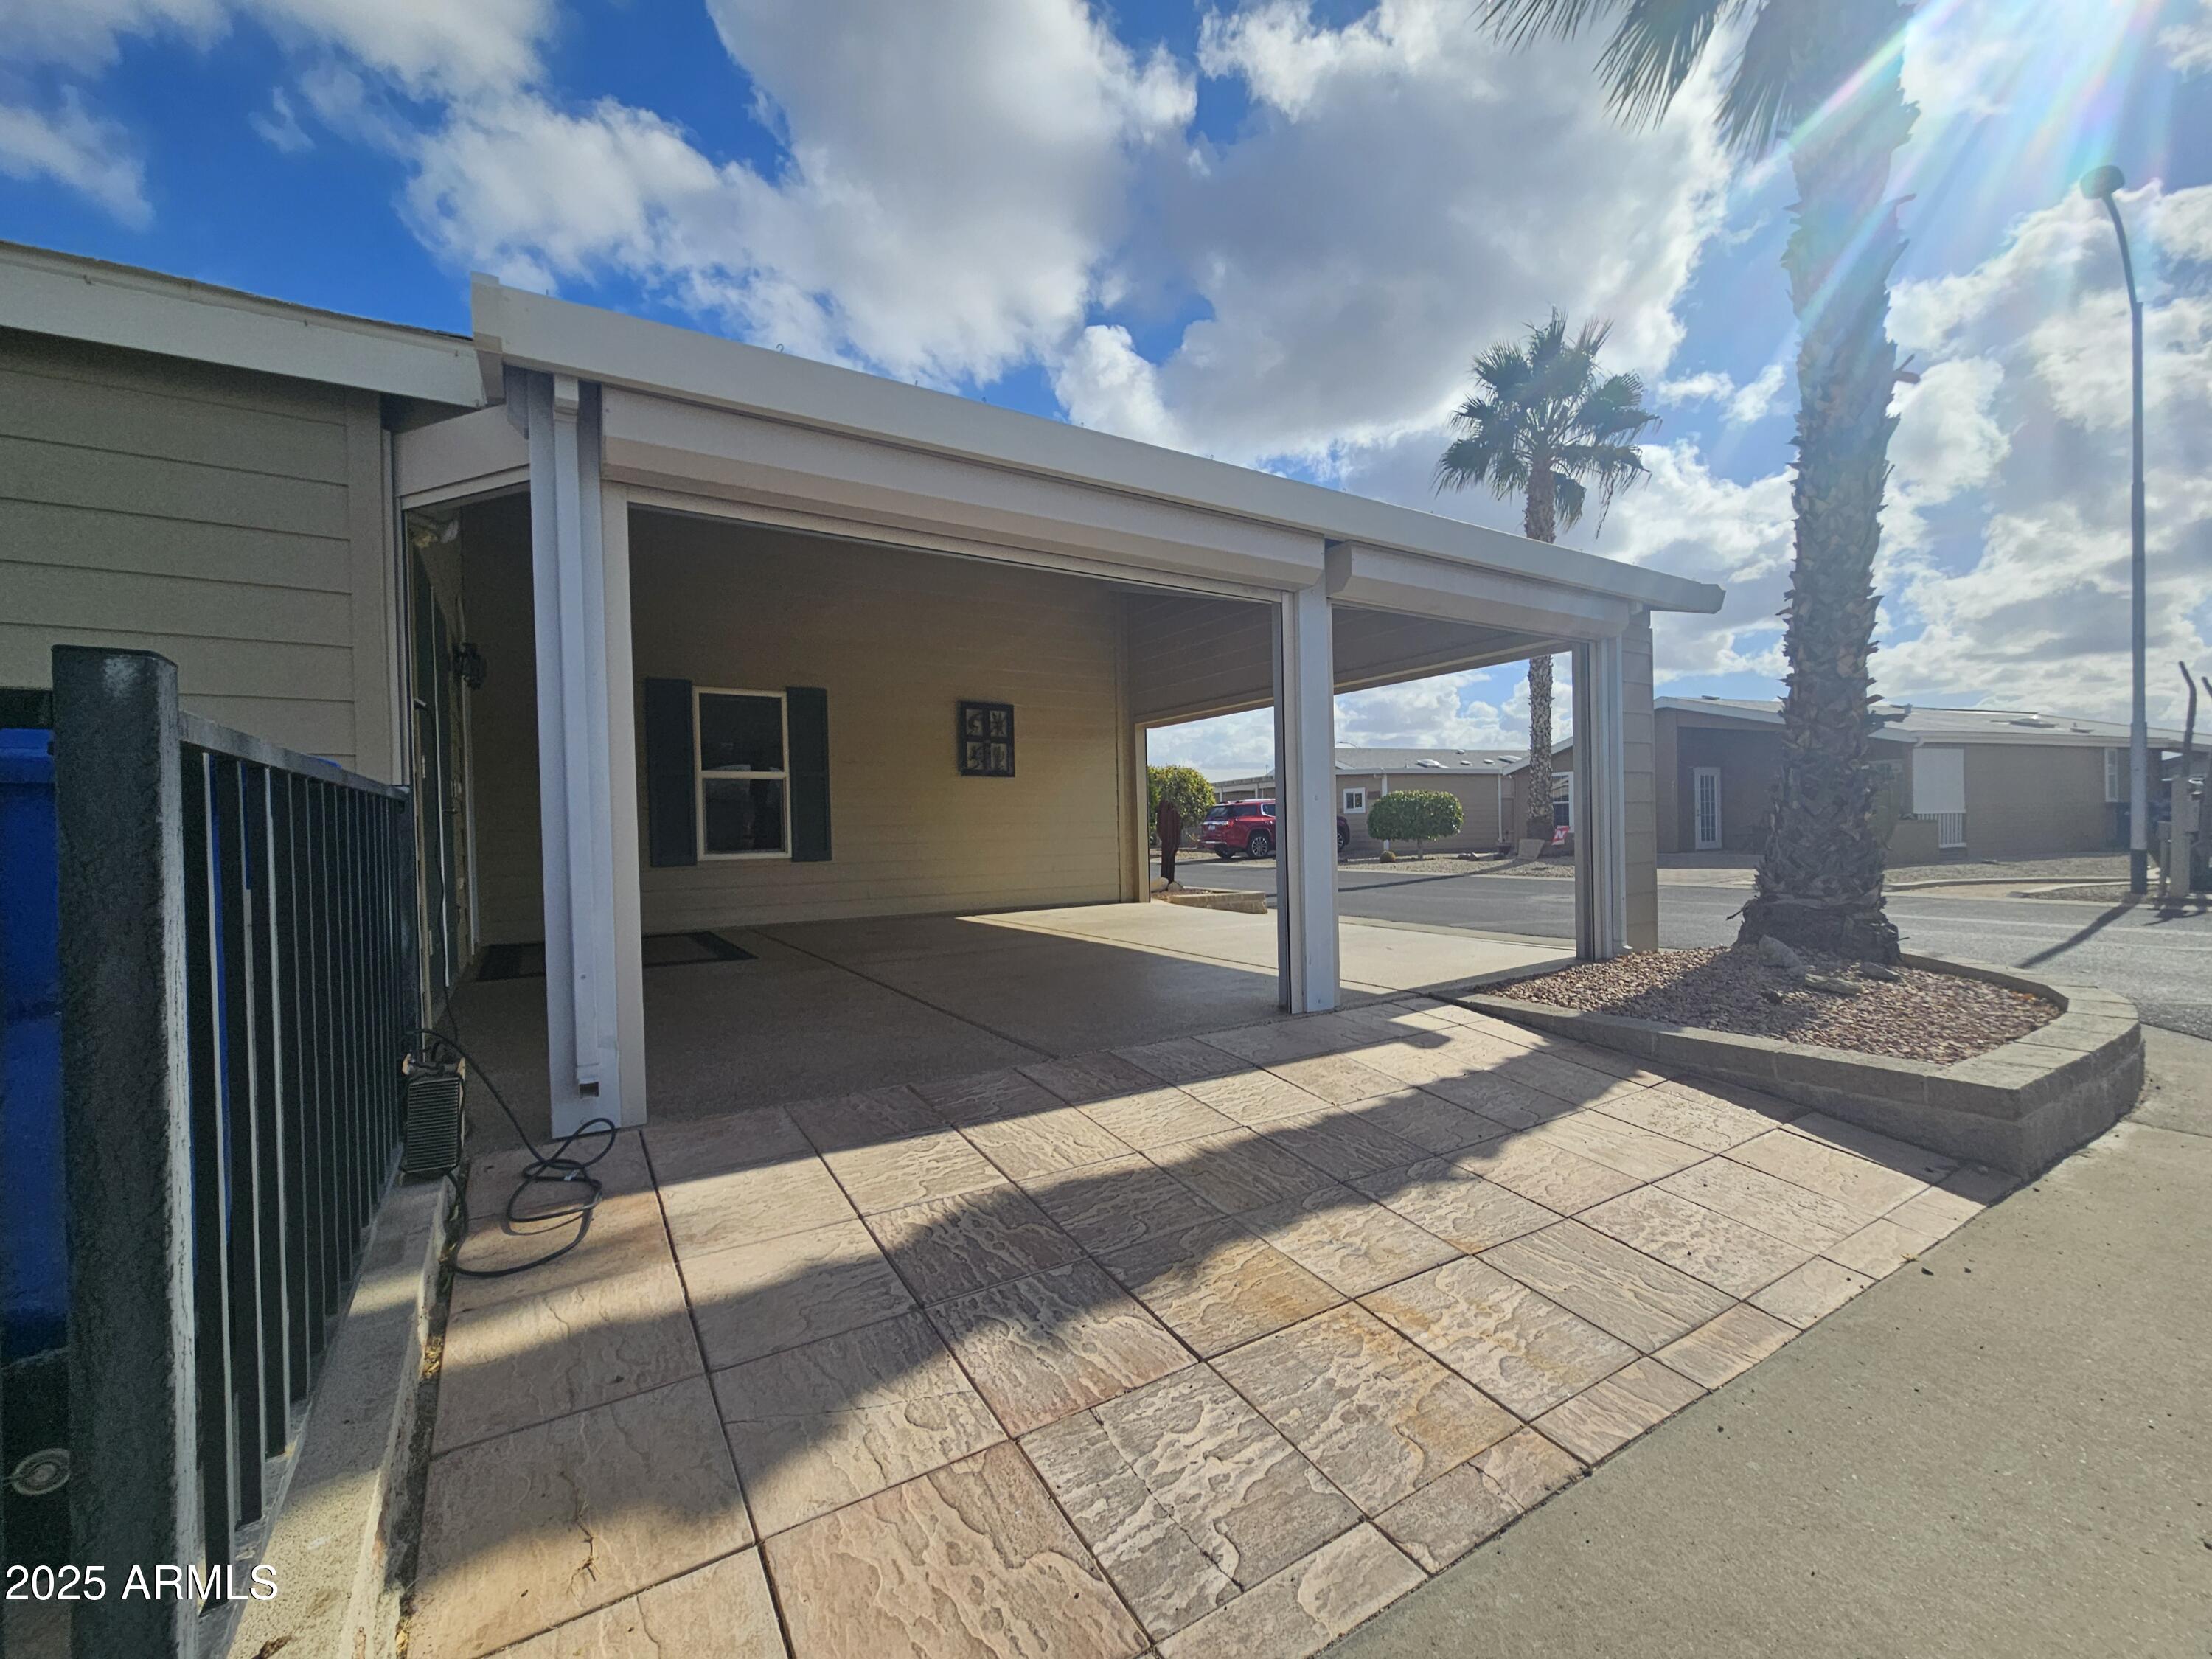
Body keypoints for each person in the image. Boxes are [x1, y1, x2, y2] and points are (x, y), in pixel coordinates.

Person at [1156, 794, 1183, 886]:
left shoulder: (1170, 815)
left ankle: (1167, 882)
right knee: (1168, 861)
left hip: (1169, 842)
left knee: (1167, 861)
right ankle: (1167, 882)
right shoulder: (1172, 814)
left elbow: (1160, 829)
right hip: (1170, 842)